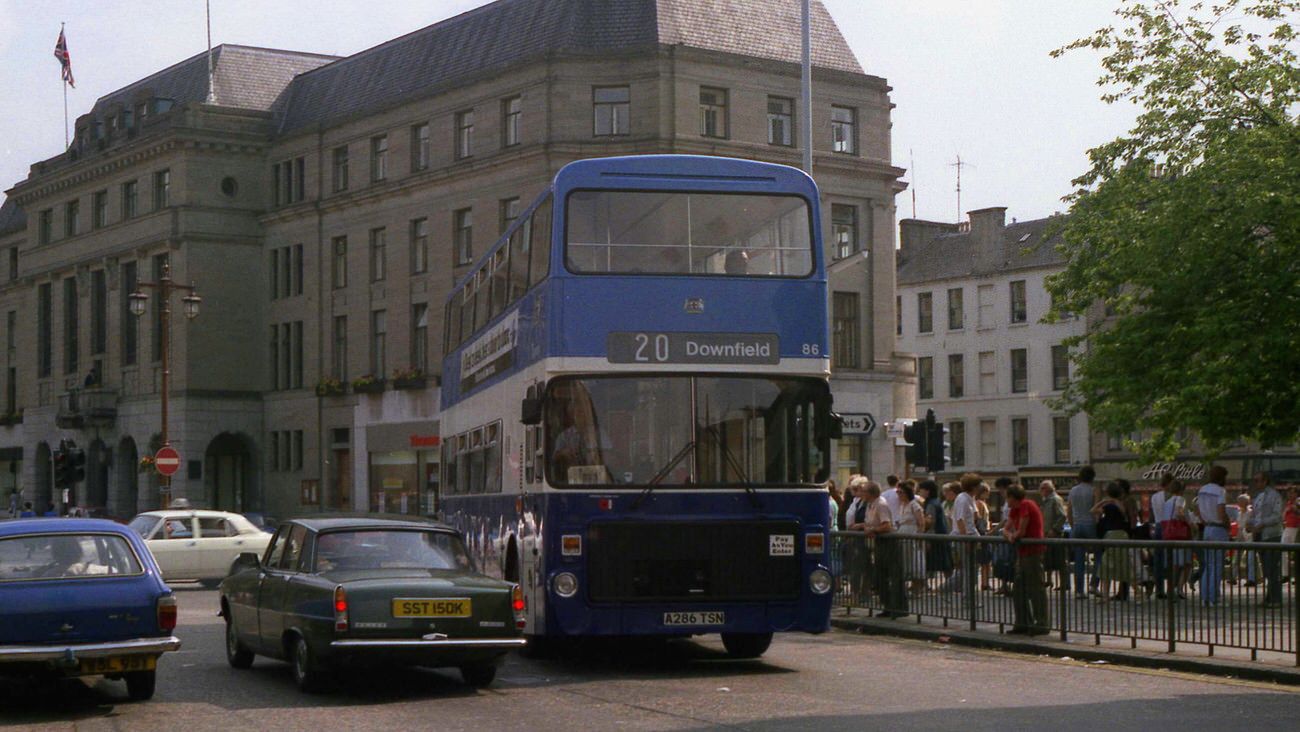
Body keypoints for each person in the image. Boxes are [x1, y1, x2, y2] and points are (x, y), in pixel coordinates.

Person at [1004, 484, 1049, 635]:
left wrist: (1012, 535)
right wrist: (1010, 535)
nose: (1006, 500)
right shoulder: (1015, 509)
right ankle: (1022, 621)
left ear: (1012, 497)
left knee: (1035, 587)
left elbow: (1021, 530)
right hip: (1023, 552)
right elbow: (1006, 528)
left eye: (1007, 497)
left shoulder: (1025, 505)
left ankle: (1041, 623)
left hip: (1033, 551)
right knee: (1019, 588)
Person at [863, 481, 906, 618]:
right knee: (880, 577)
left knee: (892, 575)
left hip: (888, 543)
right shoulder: (870, 506)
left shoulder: (881, 504)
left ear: (870, 493)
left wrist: (873, 530)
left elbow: (886, 525)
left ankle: (898, 608)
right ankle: (888, 606)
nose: (862, 494)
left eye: (864, 491)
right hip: (878, 542)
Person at [1246, 471, 1284, 608]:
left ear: (1265, 481)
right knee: (1266, 568)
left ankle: (1276, 599)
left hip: (1271, 535)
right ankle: (1270, 597)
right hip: (1259, 535)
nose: (1255, 483)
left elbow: (1277, 516)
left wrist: (1261, 524)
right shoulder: (1257, 497)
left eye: (1258, 480)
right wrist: (1250, 523)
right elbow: (1256, 516)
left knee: (1272, 567)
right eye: (1254, 480)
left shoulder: (1273, 495)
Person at [1094, 481, 1136, 603]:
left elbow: (1094, 511)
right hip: (1121, 535)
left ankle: (1106, 595)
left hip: (1111, 536)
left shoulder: (1109, 506)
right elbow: (1124, 513)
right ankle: (1137, 591)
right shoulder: (1119, 505)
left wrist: (1103, 501)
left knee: (1107, 567)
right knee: (1123, 566)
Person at [1197, 465, 1231, 605]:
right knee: (1217, 565)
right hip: (1218, 528)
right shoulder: (1220, 491)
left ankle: (1205, 596)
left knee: (1208, 564)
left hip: (1207, 528)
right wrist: (1227, 524)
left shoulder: (1202, 490)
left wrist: (1205, 521)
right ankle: (1214, 597)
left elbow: (1197, 510)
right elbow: (1221, 511)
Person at [1067, 466, 1100, 596]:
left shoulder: (1073, 491)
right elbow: (1096, 510)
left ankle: (1079, 590)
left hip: (1077, 525)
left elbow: (1069, 510)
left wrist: (1072, 525)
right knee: (1098, 555)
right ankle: (1093, 584)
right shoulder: (1093, 491)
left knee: (1079, 559)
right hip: (1090, 524)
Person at [1159, 480, 1194, 600]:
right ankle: (1179, 587)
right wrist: (1190, 523)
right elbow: (1180, 514)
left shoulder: (1167, 502)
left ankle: (1170, 588)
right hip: (1180, 535)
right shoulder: (1180, 499)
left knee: (1173, 564)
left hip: (1168, 534)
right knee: (1187, 563)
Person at [918, 480, 953, 589]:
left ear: (927, 491)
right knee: (942, 562)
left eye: (921, 489)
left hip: (934, 536)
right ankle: (945, 583)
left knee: (935, 561)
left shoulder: (931, 504)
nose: (919, 492)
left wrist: (919, 520)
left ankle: (947, 583)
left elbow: (930, 521)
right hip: (941, 534)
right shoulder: (936, 502)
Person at [894, 481, 927, 594]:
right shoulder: (902, 506)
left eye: (901, 492)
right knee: (905, 561)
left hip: (912, 533)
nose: (899, 494)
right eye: (897, 492)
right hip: (903, 533)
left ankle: (917, 586)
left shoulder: (914, 505)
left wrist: (919, 536)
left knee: (915, 561)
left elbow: (921, 523)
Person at [1038, 480, 1068, 591]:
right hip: (1045, 534)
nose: (1040, 491)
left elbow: (1062, 516)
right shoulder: (1045, 501)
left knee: (1060, 560)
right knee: (1047, 559)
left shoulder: (1055, 499)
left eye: (1043, 488)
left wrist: (1054, 529)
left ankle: (1064, 583)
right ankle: (1049, 580)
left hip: (1055, 534)